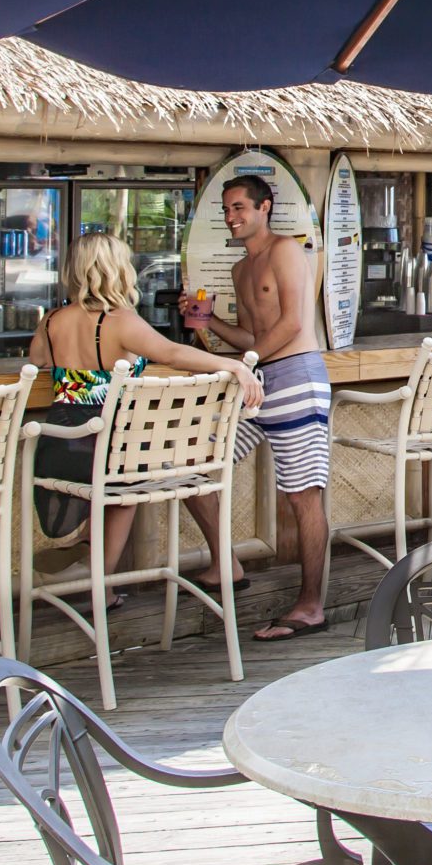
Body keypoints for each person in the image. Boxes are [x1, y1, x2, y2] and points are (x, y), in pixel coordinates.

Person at [27, 231, 262, 594]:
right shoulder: (119, 321)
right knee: (128, 477)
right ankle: (100, 583)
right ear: (119, 270)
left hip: (61, 445)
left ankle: (91, 547)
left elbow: (37, 360)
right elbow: (174, 354)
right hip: (111, 445)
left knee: (120, 473)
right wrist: (235, 367)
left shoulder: (52, 320)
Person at [182, 173, 334, 638]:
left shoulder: (286, 250)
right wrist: (210, 325)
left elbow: (292, 323)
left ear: (264, 207)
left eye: (239, 208)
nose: (231, 217)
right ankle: (226, 563)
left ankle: (310, 606)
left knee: (302, 494)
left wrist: (239, 365)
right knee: (193, 467)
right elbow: (252, 337)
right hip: (258, 381)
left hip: (296, 377)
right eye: (226, 210)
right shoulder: (239, 270)